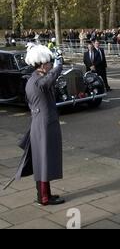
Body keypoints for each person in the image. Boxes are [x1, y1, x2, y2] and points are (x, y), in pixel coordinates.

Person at [23, 45, 65, 206]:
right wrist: (59, 65)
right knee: (43, 161)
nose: (50, 65)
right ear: (42, 64)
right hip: (43, 125)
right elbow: (50, 78)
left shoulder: (34, 78)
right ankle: (44, 197)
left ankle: (45, 194)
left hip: (40, 123)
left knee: (44, 161)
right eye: (48, 62)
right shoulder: (38, 81)